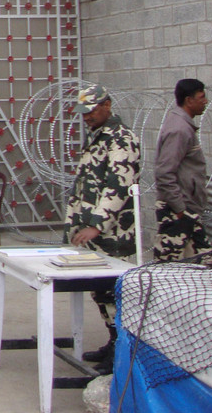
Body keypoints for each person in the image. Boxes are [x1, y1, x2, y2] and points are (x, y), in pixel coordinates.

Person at [63, 84, 140, 372]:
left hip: (114, 234)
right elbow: (83, 186)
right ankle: (113, 342)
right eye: (84, 112)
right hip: (93, 231)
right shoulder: (97, 138)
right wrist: (73, 223)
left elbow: (118, 186)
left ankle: (123, 352)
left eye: (92, 110)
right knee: (100, 292)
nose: (87, 117)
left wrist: (96, 226)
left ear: (107, 104)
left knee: (116, 292)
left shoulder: (121, 139)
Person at [154, 78, 212, 262]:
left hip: (186, 209)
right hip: (179, 210)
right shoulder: (180, 130)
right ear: (189, 100)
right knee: (169, 267)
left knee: (204, 265)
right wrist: (180, 209)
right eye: (202, 97)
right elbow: (164, 173)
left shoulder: (183, 125)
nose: (205, 101)